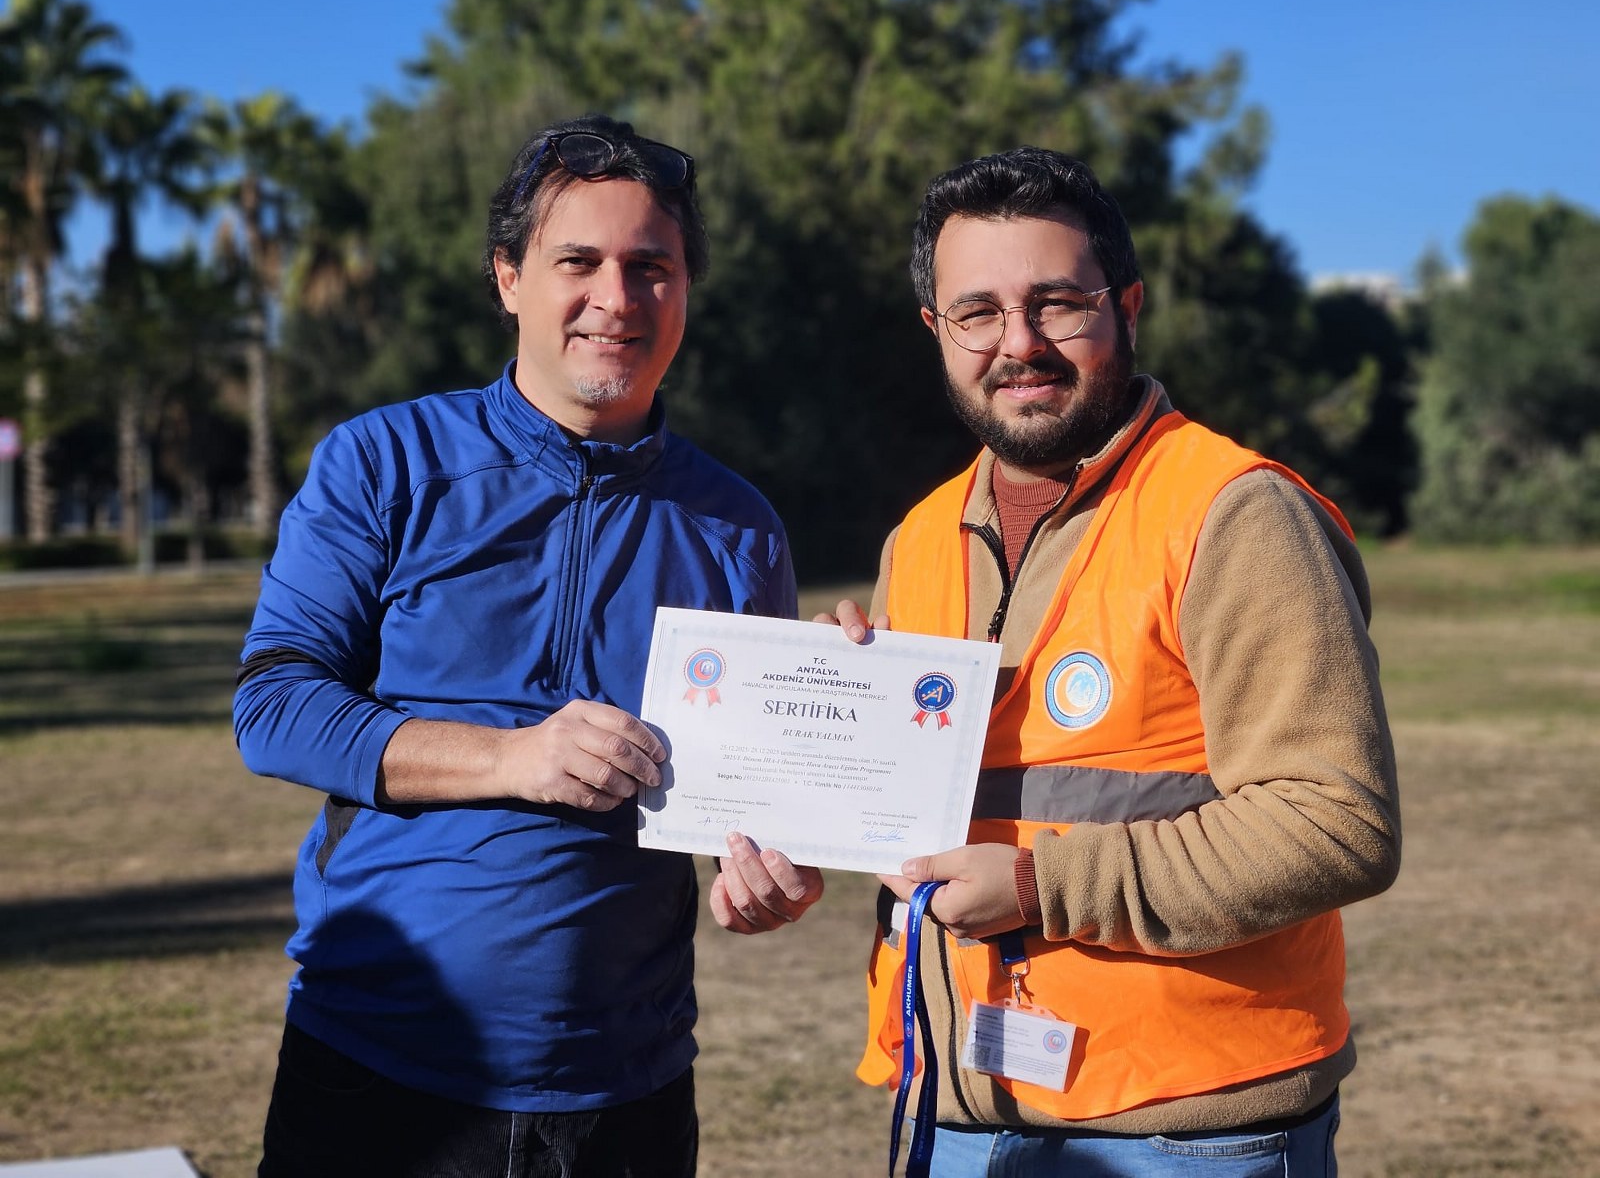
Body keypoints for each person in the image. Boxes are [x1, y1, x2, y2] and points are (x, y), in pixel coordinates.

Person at [234, 113, 822, 1178]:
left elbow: (748, 806)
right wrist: (513, 757)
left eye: (651, 268)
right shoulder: (384, 462)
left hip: (626, 1091)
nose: (616, 298)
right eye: (577, 262)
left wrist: (768, 873)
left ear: (686, 290)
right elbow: (274, 707)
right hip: (378, 1066)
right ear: (508, 277)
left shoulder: (739, 526)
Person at [826, 147, 1401, 1175]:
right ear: (935, 330)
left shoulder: (1233, 512)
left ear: (1125, 306)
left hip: (1189, 1130)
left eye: (1056, 304)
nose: (1019, 343)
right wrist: (818, 754)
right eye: (977, 313)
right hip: (956, 1108)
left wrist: (1039, 884)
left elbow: (1334, 824)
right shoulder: (919, 537)